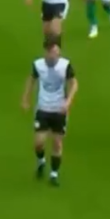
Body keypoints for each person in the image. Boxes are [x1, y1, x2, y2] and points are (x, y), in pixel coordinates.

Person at [21, 40, 77, 186]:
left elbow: (74, 83)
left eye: (57, 52)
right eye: (53, 52)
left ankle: (54, 174)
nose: (55, 55)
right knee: (38, 143)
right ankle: (41, 161)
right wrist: (26, 98)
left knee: (57, 143)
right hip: (43, 108)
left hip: (59, 110)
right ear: (46, 52)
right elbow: (31, 80)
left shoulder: (65, 65)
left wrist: (68, 101)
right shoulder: (38, 65)